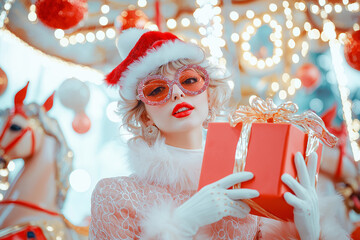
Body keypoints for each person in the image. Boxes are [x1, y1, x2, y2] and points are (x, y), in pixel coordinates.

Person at [89, 28, 348, 239]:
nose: (177, 93)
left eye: (190, 80)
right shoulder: (115, 195)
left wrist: (309, 233)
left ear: (209, 94)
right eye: (156, 90)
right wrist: (179, 225)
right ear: (144, 113)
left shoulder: (250, 184)